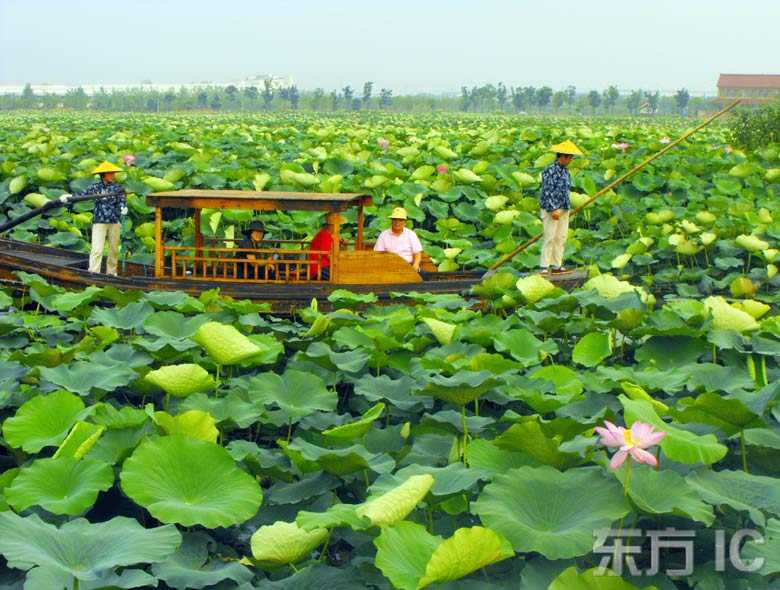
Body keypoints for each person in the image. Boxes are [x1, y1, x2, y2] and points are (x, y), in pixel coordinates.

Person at [60, 161, 127, 275]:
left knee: (114, 250)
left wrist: (123, 208)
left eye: (113, 173)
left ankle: (111, 273)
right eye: (111, 173)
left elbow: (122, 201)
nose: (113, 176)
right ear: (104, 175)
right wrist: (70, 198)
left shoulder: (118, 188)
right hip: (99, 221)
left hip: (114, 221)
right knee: (97, 250)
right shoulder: (95, 188)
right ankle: (93, 273)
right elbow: (83, 196)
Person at [539, 140, 583, 273]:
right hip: (551, 209)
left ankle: (556, 265)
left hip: (564, 208)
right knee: (550, 238)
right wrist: (553, 209)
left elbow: (565, 190)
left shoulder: (565, 171)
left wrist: (565, 207)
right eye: (569, 157)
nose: (570, 160)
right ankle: (544, 267)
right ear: (562, 156)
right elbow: (547, 190)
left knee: (561, 238)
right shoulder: (549, 170)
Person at [374, 207, 423, 272]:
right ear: (391, 221)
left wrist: (416, 264)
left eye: (400, 220)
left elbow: (417, 253)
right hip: (389, 268)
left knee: (427, 277)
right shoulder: (383, 235)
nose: (397, 222)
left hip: (408, 267)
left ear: (405, 222)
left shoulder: (411, 234)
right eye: (395, 219)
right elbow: (378, 254)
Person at [309, 212, 344, 280]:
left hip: (324, 265)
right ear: (331, 226)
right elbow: (327, 254)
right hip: (319, 267)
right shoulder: (325, 235)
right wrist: (337, 263)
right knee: (339, 277)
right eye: (338, 226)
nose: (339, 228)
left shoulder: (326, 234)